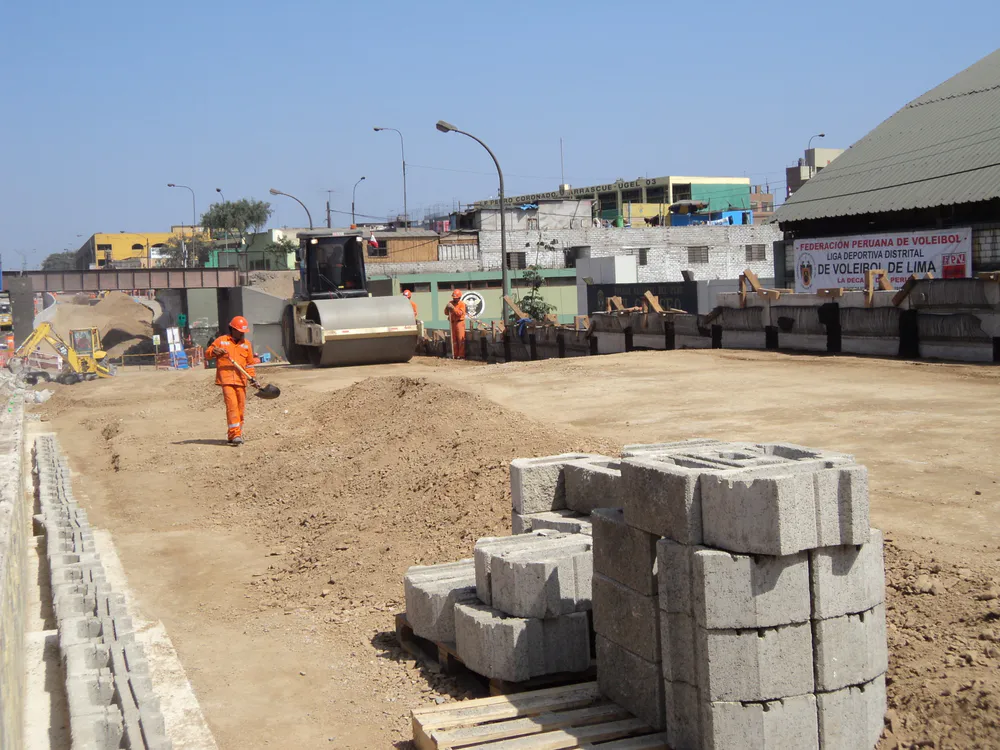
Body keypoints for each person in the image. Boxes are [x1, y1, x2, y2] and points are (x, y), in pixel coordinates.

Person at [205, 316, 259, 446]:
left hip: (241, 380)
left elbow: (249, 365)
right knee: (232, 406)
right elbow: (207, 354)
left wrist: (252, 378)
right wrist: (214, 351)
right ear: (233, 329)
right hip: (227, 379)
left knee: (240, 408)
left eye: (243, 332)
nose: (242, 334)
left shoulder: (246, 345)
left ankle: (235, 434)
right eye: (240, 331)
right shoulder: (222, 341)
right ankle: (235, 434)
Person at [444, 289, 467, 359]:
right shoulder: (450, 303)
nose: (454, 299)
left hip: (459, 322)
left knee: (460, 340)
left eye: (456, 298)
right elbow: (446, 313)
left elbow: (459, 313)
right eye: (453, 298)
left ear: (459, 298)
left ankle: (461, 355)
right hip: (453, 323)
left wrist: (453, 308)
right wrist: (447, 308)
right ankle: (455, 355)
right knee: (453, 340)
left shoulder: (462, 304)